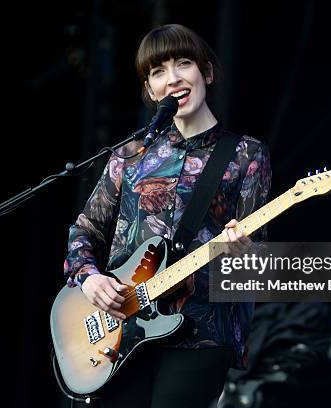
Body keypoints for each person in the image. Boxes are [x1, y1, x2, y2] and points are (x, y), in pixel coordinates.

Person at [62, 24, 272, 407]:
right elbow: (84, 231)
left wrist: (242, 252)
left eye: (183, 63)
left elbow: (255, 263)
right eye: (158, 71)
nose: (172, 78)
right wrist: (90, 280)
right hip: (121, 333)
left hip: (203, 334)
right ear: (149, 90)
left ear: (206, 72)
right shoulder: (129, 155)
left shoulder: (245, 154)